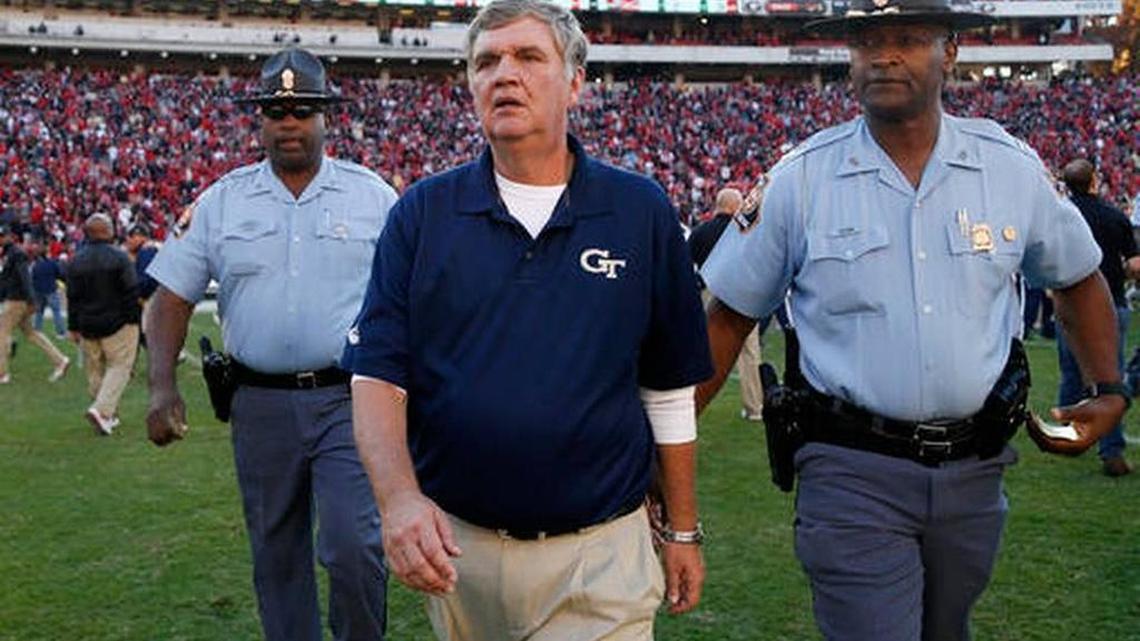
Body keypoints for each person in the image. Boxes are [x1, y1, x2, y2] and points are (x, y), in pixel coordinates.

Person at [696, 2, 1128, 640]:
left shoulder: (1008, 167)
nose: (884, 55)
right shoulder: (802, 179)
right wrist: (660, 446)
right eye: (867, 41)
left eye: (906, 39)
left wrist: (1108, 387)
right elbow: (727, 315)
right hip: (849, 469)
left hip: (976, 469)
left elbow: (1077, 275)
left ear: (949, 51)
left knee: (945, 629)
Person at [343, 1, 712, 638]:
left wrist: (681, 527)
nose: (504, 74)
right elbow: (377, 374)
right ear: (469, 85)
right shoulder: (422, 215)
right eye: (486, 61)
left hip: (601, 553)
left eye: (528, 57)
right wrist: (399, 499)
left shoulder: (639, 210)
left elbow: (669, 387)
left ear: (575, 82)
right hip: (460, 551)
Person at [144, 48, 398, 641]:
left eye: (303, 110)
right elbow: (171, 297)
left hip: (349, 399)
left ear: (325, 117)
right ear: (258, 118)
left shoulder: (375, 196)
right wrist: (161, 389)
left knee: (353, 545)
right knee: (276, 556)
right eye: (277, 110)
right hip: (258, 403)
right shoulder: (220, 200)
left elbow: (414, 296)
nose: (290, 122)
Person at [1057, 158, 1140, 477]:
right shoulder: (1113, 216)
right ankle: (1112, 450)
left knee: (1070, 374)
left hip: (1070, 305)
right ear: (1094, 182)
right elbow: (1134, 265)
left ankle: (1070, 436)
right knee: (1111, 379)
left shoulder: (1060, 216)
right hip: (1109, 303)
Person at [689, 186, 764, 420]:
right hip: (742, 290)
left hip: (709, 291)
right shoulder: (744, 232)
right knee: (750, 353)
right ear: (734, 207)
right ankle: (755, 408)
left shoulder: (700, 232)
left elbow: (684, 265)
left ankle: (689, 406)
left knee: (700, 350)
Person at [66, 214, 141, 435]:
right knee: (119, 366)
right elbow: (131, 290)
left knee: (95, 370)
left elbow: (73, 297)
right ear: (107, 231)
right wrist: (133, 319)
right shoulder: (120, 258)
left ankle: (108, 414)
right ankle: (103, 410)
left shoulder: (75, 260)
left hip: (88, 323)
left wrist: (73, 326)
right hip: (117, 322)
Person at [0, 224, 70, 385]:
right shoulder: (12, 253)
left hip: (17, 299)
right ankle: (60, 360)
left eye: (2, 236)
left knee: (2, 333)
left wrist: (32, 299)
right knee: (31, 333)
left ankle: (2, 373)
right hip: (19, 298)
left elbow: (24, 277)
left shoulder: (15, 254)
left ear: (10, 236)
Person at [123, 224, 159, 345]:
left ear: (140, 237)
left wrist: (140, 295)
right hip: (157, 296)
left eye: (131, 237)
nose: (128, 240)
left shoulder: (146, 251)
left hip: (152, 298)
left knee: (147, 332)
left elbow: (148, 280)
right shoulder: (146, 250)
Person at [29, 242, 68, 340]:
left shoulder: (35, 265)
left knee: (39, 312)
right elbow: (59, 274)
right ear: (46, 253)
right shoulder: (52, 263)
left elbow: (32, 279)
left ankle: (37, 331)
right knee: (56, 312)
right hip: (51, 290)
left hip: (38, 291)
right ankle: (61, 333)